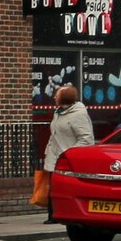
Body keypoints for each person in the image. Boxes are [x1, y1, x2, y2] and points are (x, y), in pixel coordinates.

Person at [39, 83, 94, 221]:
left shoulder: (78, 114)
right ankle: (52, 215)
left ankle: (62, 214)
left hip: (67, 159)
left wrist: (69, 154)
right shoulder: (58, 113)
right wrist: (48, 151)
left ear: (64, 97)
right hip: (54, 156)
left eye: (57, 95)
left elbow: (86, 139)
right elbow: (55, 134)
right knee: (53, 187)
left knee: (64, 188)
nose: (54, 97)